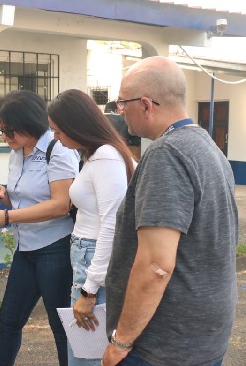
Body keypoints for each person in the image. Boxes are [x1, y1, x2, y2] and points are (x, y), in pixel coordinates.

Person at [103, 56, 239, 366]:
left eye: (123, 104)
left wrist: (121, 341)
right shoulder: (209, 147)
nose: (121, 113)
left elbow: (155, 266)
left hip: (162, 347)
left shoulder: (168, 155)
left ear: (147, 105)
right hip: (202, 337)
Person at [0, 90, 79, 366]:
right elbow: (24, 193)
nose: (6, 138)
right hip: (27, 247)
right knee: (9, 320)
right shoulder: (17, 152)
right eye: (1, 131)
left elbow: (60, 204)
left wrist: (8, 217)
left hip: (54, 248)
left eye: (10, 131)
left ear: (31, 123)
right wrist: (2, 192)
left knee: (60, 327)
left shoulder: (57, 149)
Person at [47, 89, 136, 365]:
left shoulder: (106, 158)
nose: (55, 138)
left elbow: (112, 225)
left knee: (86, 355)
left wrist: (89, 291)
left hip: (94, 261)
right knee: (86, 351)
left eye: (58, 131)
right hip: (88, 258)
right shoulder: (96, 155)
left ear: (77, 126)